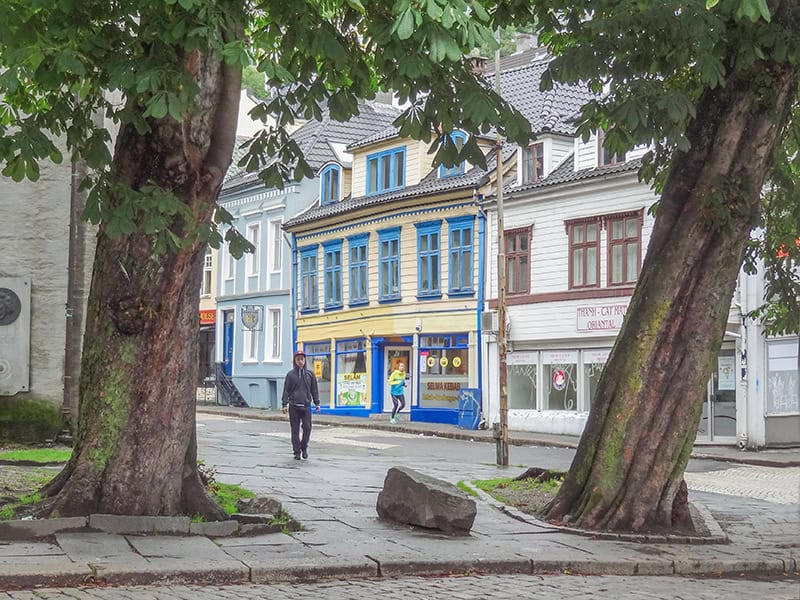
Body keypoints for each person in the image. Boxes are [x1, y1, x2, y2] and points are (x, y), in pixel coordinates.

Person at [282, 350, 320, 460]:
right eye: (298, 359)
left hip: (306, 405)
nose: (300, 362)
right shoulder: (290, 375)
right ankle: (297, 451)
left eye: (302, 359)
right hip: (294, 406)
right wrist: (284, 404)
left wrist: (317, 402)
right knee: (295, 430)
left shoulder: (310, 374)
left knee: (307, 428)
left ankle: (304, 447)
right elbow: (286, 390)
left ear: (304, 360)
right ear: (295, 361)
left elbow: (314, 389)